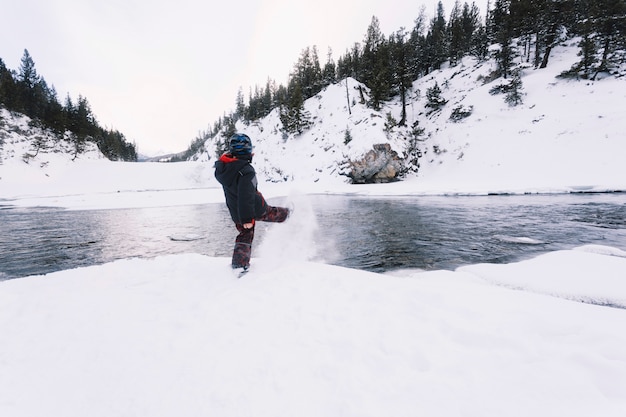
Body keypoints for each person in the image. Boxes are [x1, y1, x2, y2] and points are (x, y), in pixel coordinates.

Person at [214, 133, 290, 271]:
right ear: (248, 149)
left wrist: (243, 217)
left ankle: (239, 264)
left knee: (248, 231)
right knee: (252, 228)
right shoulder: (246, 170)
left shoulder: (225, 169)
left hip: (237, 211)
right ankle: (240, 265)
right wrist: (247, 218)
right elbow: (246, 195)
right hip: (251, 208)